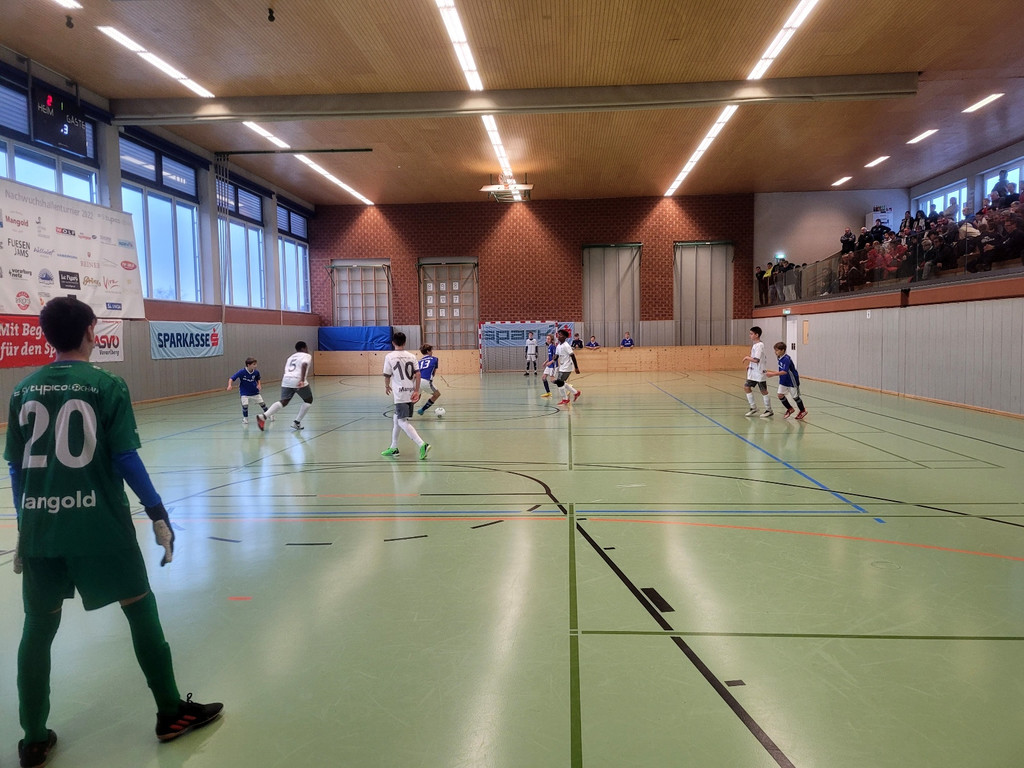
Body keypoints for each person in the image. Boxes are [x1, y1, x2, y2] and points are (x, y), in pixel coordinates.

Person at [4, 297, 223, 768]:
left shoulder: (22, 390)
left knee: (37, 628)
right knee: (140, 609)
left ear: (46, 335)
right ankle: (170, 713)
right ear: (91, 331)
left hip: (42, 529)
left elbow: (16, 468)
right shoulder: (107, 385)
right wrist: (157, 511)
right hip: (101, 525)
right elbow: (124, 457)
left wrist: (25, 524)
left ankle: (33, 739)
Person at [381, 331, 430, 459]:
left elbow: (387, 375)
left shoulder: (389, 357)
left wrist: (387, 386)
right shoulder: (411, 356)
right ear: (405, 342)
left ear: (393, 342)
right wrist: (416, 390)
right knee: (396, 418)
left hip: (400, 394)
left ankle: (422, 444)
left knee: (402, 421)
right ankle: (394, 447)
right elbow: (418, 374)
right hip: (410, 392)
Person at [256, 342, 313, 431]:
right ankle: (296, 422)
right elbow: (304, 364)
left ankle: (263, 416)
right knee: (308, 400)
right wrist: (302, 380)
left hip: (286, 379)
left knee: (284, 401)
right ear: (304, 348)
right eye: (307, 348)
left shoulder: (290, 357)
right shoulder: (306, 355)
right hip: (297, 379)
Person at [765, 342, 807, 420]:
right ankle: (790, 409)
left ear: (783, 350)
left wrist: (772, 374)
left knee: (795, 397)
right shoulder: (779, 357)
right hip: (783, 380)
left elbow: (785, 371)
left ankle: (803, 411)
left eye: (777, 350)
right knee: (780, 395)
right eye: (775, 350)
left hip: (792, 380)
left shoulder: (786, 359)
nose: (775, 352)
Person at [226, 357, 270, 424]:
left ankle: (269, 414)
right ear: (248, 365)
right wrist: (229, 385)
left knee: (262, 404)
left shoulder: (256, 372)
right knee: (245, 405)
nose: (255, 366)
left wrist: (259, 385)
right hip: (244, 392)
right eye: (254, 364)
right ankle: (245, 419)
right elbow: (231, 378)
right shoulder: (241, 372)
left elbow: (258, 378)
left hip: (254, 392)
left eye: (256, 364)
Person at [742, 326, 773, 417]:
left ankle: (769, 410)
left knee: (763, 390)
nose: (750, 335)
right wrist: (750, 365)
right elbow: (754, 359)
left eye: (751, 334)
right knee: (746, 387)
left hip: (759, 372)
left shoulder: (759, 345)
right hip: (753, 372)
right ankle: (753, 407)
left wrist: (747, 358)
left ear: (757, 335)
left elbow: (756, 360)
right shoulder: (755, 345)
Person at [554, 329, 581, 405]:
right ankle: (575, 392)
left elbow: (573, 356)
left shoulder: (566, 346)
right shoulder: (558, 346)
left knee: (559, 382)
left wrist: (576, 368)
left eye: (560, 335)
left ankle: (565, 399)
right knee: (561, 382)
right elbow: (556, 356)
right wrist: (553, 359)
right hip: (562, 366)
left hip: (567, 366)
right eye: (558, 335)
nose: (559, 336)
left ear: (565, 337)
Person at [416, 343, 442, 416]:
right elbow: (433, 372)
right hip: (426, 381)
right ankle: (422, 410)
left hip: (417, 381)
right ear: (428, 351)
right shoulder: (435, 359)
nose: (432, 352)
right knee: (437, 394)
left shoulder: (419, 361)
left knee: (416, 397)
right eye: (431, 350)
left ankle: (406, 412)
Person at [540, 333, 557, 398]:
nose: (547, 340)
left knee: (552, 380)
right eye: (547, 338)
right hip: (549, 365)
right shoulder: (549, 346)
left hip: (553, 365)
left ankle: (564, 384)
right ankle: (548, 393)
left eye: (548, 339)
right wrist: (546, 362)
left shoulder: (553, 346)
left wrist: (550, 362)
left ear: (552, 340)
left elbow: (555, 357)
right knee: (543, 377)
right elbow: (550, 356)